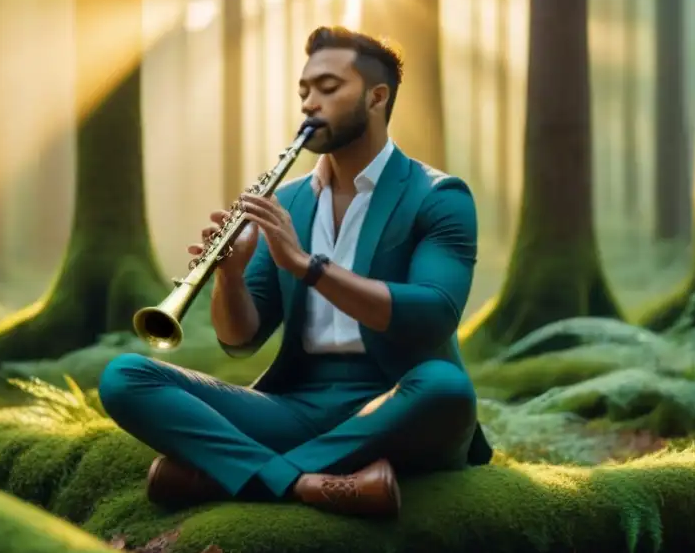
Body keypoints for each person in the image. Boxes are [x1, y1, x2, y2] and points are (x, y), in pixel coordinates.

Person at [98, 26, 493, 518]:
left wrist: (307, 267)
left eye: (328, 88)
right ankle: (305, 483)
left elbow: (433, 313)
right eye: (304, 90)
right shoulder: (288, 201)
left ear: (376, 97)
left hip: (396, 400)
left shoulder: (439, 197)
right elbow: (240, 338)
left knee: (446, 386)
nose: (309, 103)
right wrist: (231, 275)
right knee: (126, 376)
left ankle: (221, 475)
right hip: (297, 407)